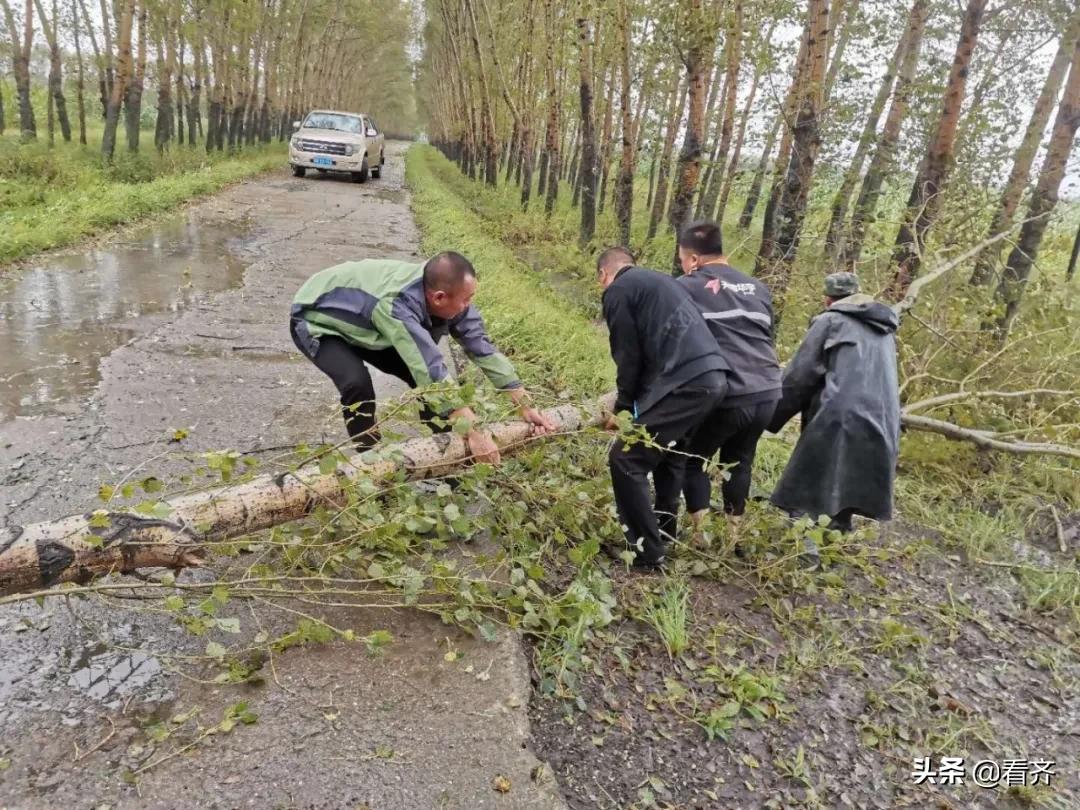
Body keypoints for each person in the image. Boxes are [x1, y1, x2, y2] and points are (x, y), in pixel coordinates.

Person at [290, 252, 557, 462]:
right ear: (439, 297)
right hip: (319, 320)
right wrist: (474, 431)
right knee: (357, 383)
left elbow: (481, 347)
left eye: (470, 299)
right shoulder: (397, 305)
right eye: (465, 300)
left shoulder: (449, 296)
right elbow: (430, 369)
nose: (467, 306)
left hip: (368, 325)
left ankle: (449, 456)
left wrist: (524, 403)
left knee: (428, 388)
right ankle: (371, 462)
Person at [597, 246, 730, 569]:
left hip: (685, 382)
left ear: (603, 274)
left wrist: (624, 410)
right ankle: (665, 534)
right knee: (669, 455)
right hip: (714, 379)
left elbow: (628, 356)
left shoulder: (618, 290)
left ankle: (647, 553)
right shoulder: (663, 283)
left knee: (626, 458)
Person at [767, 271, 900, 537]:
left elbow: (800, 376)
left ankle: (805, 547)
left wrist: (771, 417)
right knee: (849, 481)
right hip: (884, 416)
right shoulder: (885, 329)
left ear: (828, 299)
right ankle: (836, 534)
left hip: (838, 414)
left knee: (807, 486)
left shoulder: (829, 321)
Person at [675, 221, 782, 537]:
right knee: (740, 462)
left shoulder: (687, 285)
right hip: (768, 390)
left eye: (683, 258)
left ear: (693, 259)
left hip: (728, 392)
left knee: (692, 458)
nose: (683, 265)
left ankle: (701, 537)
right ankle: (733, 536)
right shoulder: (758, 288)